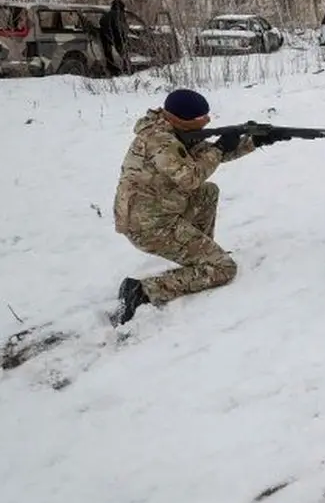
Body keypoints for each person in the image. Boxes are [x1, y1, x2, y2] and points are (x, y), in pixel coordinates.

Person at [111, 88, 275, 325]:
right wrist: (220, 147)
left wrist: (253, 142)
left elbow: (207, 156)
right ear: (183, 120)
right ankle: (142, 290)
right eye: (200, 120)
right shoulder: (160, 140)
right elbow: (191, 177)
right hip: (148, 226)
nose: (205, 124)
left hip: (160, 211)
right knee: (224, 269)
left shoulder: (172, 131)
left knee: (208, 193)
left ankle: (202, 256)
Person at [98, 0, 130, 75]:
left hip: (105, 39)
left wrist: (107, 33)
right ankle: (124, 71)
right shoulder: (119, 15)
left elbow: (101, 22)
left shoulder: (107, 14)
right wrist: (123, 37)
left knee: (109, 56)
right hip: (117, 39)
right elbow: (121, 28)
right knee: (123, 55)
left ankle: (111, 70)